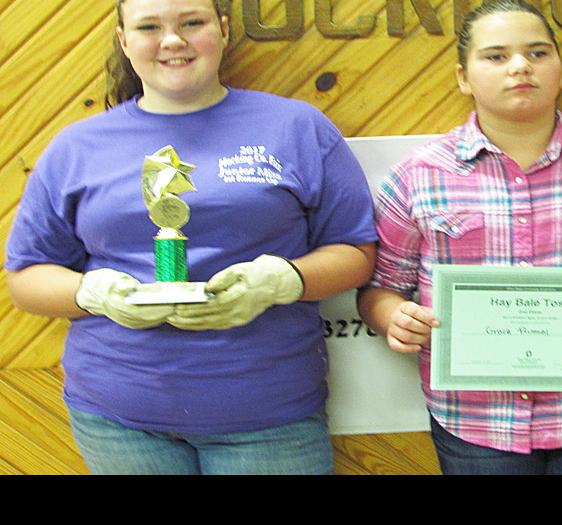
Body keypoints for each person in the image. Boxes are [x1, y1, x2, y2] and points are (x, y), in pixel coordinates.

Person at [5, 0, 377, 474]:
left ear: (222, 30)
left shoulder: (297, 128)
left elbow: (355, 253)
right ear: (124, 41)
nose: (172, 40)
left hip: (270, 414)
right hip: (119, 418)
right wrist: (91, 293)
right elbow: (25, 278)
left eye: (191, 23)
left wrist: (281, 280)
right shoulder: (75, 147)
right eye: (149, 27)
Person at [356, 0, 562, 475]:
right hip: (473, 421)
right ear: (462, 77)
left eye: (537, 53)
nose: (520, 66)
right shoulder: (417, 177)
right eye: (495, 56)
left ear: (559, 70)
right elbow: (379, 291)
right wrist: (394, 317)